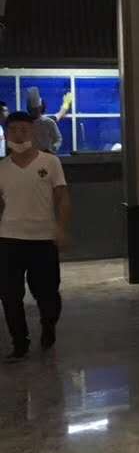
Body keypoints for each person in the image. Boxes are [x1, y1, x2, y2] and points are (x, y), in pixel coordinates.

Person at [0, 112, 70, 360]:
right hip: (8, 239)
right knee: (9, 294)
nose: (19, 135)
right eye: (13, 130)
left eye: (24, 130)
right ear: (6, 134)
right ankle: (20, 343)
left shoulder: (50, 162)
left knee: (47, 293)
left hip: (43, 239)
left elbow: (62, 198)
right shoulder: (2, 168)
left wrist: (61, 228)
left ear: (33, 132)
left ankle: (48, 325)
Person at [26, 88, 68, 154]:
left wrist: (52, 149)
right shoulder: (22, 123)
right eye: (32, 109)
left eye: (36, 109)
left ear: (41, 108)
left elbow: (58, 139)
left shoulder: (48, 121)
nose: (34, 111)